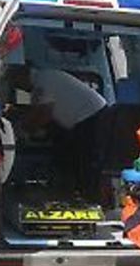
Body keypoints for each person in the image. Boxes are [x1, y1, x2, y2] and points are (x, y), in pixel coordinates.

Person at [26, 66, 111, 197]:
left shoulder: (43, 80)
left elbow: (44, 114)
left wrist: (25, 130)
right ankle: (76, 190)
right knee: (69, 156)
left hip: (91, 117)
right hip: (87, 117)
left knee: (82, 161)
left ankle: (85, 195)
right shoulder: (47, 76)